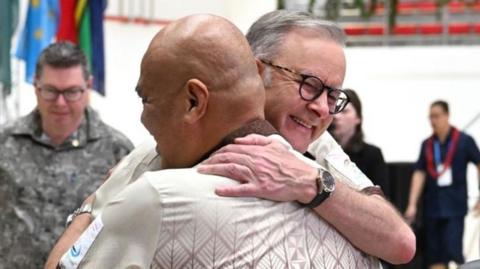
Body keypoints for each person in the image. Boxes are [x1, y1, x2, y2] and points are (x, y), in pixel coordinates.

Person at [45, 10, 415, 268]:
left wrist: (315, 185)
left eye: (333, 95)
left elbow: (401, 243)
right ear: (255, 69)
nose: (321, 108)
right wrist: (97, 201)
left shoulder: (313, 149)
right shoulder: (155, 157)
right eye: (309, 85)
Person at [0, 42, 134, 268]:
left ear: (88, 87)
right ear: (36, 87)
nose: (60, 103)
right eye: (51, 91)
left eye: (71, 92)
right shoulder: (5, 142)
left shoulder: (118, 152)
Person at [404, 100, 480, 269]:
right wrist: (412, 204)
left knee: (453, 252)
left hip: (454, 206)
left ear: (447, 115)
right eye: (430, 117)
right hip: (432, 207)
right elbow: (419, 173)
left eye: (437, 116)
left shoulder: (464, 141)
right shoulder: (428, 145)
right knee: (434, 254)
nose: (433, 121)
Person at [330, 89, 389, 196]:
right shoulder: (320, 149)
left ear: (358, 118)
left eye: (344, 111)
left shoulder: (372, 154)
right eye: (334, 111)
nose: (336, 116)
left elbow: (381, 196)